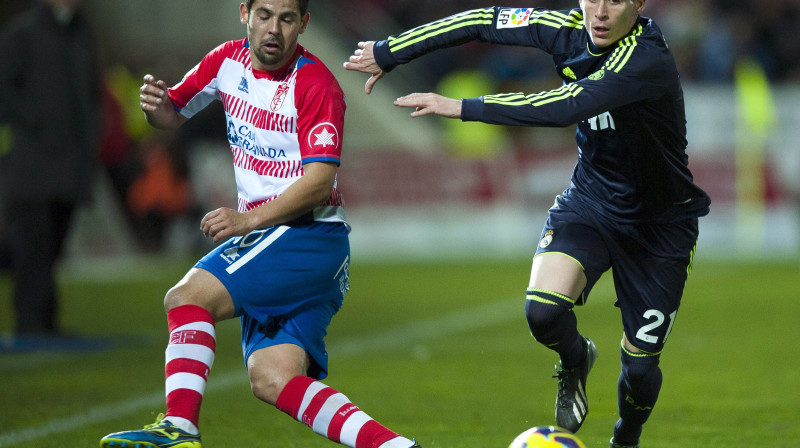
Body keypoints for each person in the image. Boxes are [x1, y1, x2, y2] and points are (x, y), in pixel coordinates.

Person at [344, 2, 710, 447]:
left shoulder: (645, 59)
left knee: (639, 369)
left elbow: (565, 105)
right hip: (592, 203)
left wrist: (463, 107)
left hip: (660, 229)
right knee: (542, 311)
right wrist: (389, 50)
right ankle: (576, 359)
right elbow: (481, 21)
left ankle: (625, 437)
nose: (599, 10)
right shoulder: (564, 29)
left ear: (639, 3)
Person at [98, 1, 420, 448]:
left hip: (306, 236)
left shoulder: (316, 84)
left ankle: (179, 427)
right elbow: (172, 112)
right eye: (265, 15)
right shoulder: (225, 60)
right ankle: (396, 446)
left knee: (187, 298)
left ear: (303, 24)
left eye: (287, 19)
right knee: (272, 378)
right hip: (294, 242)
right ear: (244, 13)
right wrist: (155, 108)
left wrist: (246, 219)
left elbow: (320, 181)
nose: (274, 29)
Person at [0, 0, 102, 348]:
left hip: (71, 167)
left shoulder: (82, 34)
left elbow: (90, 93)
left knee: (53, 247)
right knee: (32, 247)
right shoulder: (23, 34)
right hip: (33, 166)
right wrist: (35, 121)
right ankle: (30, 324)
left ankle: (46, 323)